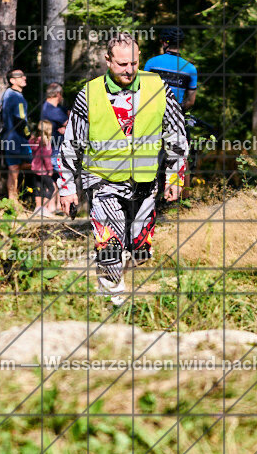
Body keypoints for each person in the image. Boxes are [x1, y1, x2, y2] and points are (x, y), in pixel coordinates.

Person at [58, 32, 189, 306]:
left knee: (139, 249)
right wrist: (67, 187)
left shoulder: (158, 87)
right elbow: (71, 142)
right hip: (103, 180)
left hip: (146, 181)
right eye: (121, 64)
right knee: (111, 245)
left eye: (134, 63)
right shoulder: (90, 93)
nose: (129, 70)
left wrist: (176, 176)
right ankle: (111, 302)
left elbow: (177, 135)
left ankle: (114, 285)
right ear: (107, 60)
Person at [143, 27, 198, 110]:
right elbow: (190, 101)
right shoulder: (191, 69)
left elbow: (143, 92)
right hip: (175, 116)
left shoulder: (151, 63)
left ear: (165, 43)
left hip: (151, 112)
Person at [0, 68, 32, 202]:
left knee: (14, 169)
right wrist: (29, 135)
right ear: (12, 80)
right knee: (31, 165)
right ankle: (13, 201)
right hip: (17, 140)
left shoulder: (7, 94)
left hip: (10, 139)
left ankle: (14, 201)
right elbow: (21, 119)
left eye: (24, 75)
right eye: (20, 76)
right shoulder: (15, 96)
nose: (24, 78)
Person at [40, 82, 68, 211]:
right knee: (58, 174)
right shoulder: (52, 109)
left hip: (52, 147)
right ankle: (51, 206)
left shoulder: (48, 108)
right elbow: (70, 124)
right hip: (53, 147)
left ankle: (56, 206)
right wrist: (65, 127)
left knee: (57, 176)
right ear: (58, 94)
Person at [29, 120, 55, 216]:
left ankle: (37, 208)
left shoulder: (34, 140)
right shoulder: (46, 143)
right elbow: (46, 158)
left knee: (38, 188)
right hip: (43, 170)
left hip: (34, 168)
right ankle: (43, 208)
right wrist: (50, 169)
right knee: (51, 188)